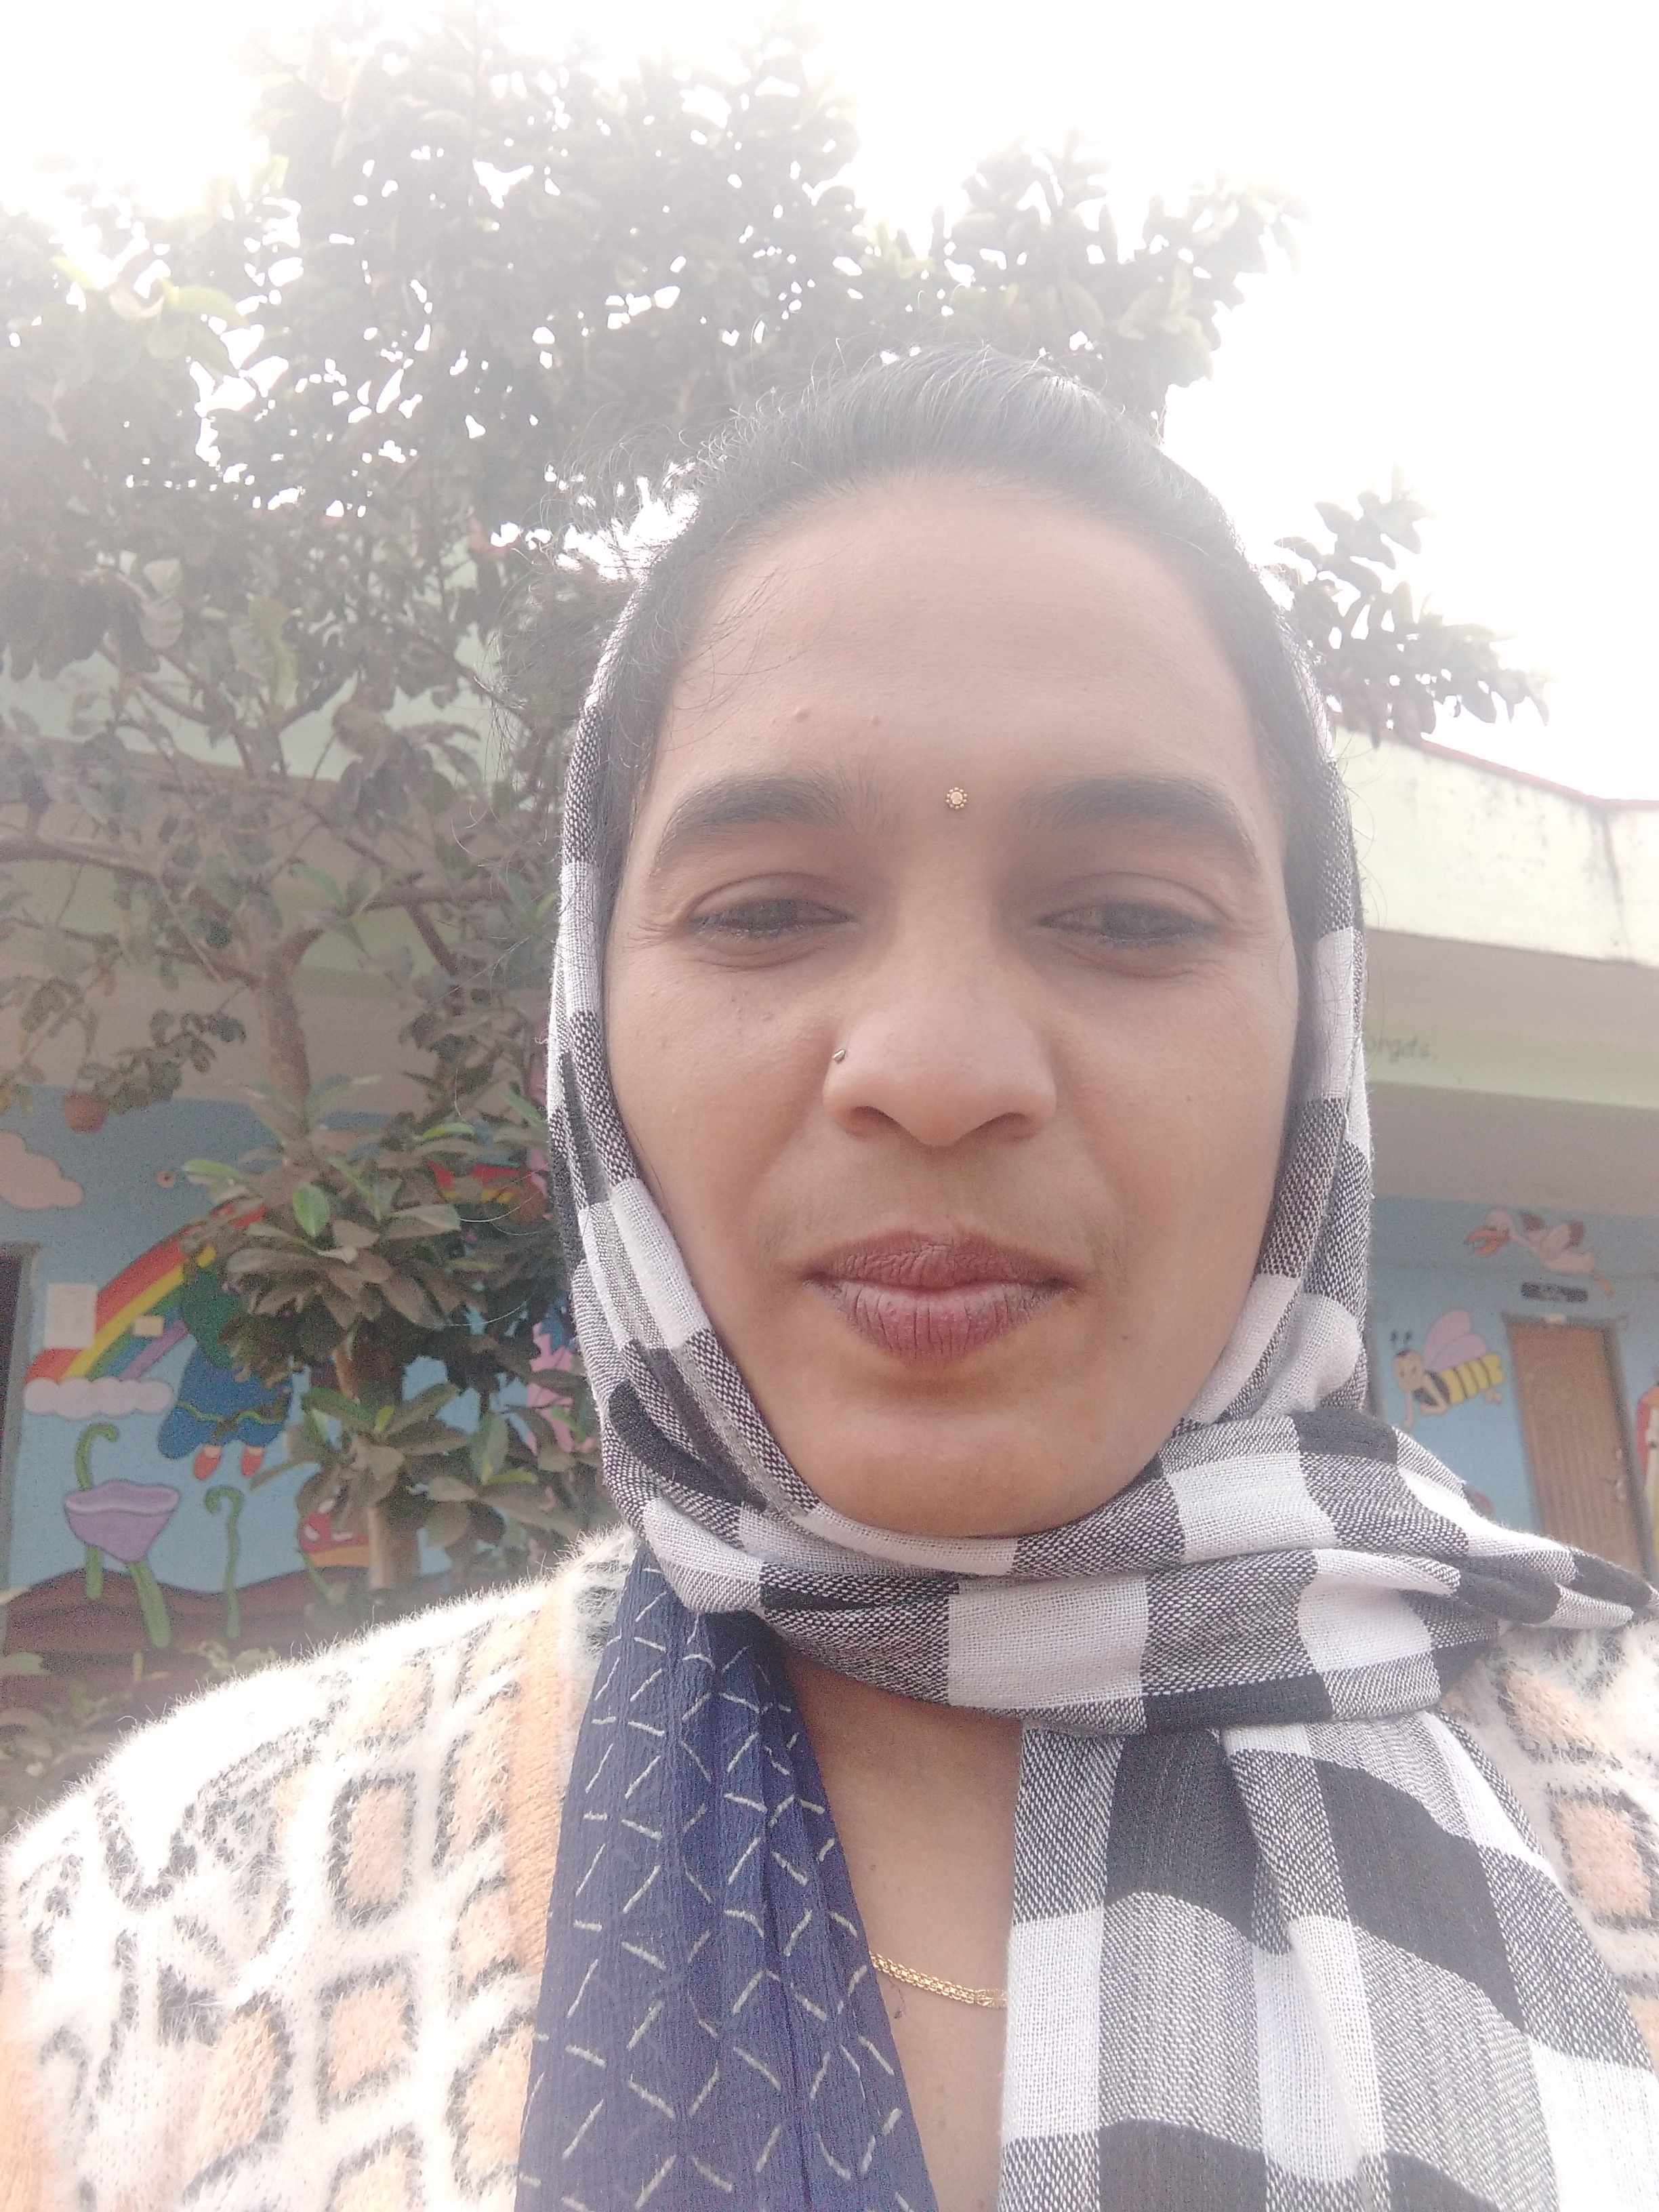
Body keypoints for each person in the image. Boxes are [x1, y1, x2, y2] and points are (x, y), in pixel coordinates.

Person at [5, 348, 1659, 2212]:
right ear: (592, 1019)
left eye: (1130, 916)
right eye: (769, 911)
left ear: (1314, 1040)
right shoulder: (158, 1936)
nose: (937, 1070)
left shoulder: (1620, 1801)